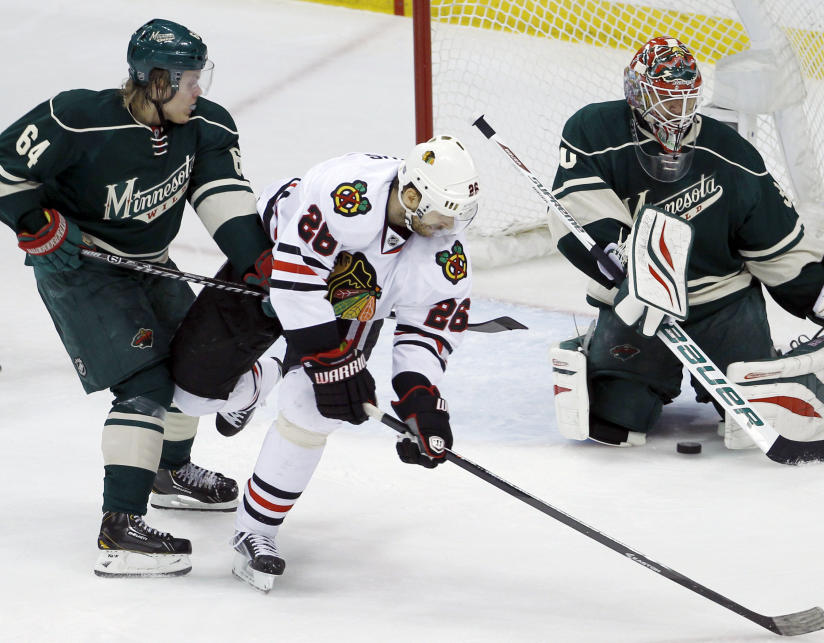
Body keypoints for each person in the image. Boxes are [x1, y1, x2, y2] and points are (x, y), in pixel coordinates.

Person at [0, 18, 275, 577]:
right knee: (145, 383)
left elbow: (224, 197)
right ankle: (120, 528)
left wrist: (263, 268)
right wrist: (35, 221)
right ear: (154, 80)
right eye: (189, 79)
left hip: (151, 263)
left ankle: (169, 472)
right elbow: (6, 172)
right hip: (81, 266)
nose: (200, 89)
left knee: (191, 361)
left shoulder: (206, 124)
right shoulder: (75, 117)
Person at [548, 36, 824, 449]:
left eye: (687, 99)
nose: (680, 112)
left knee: (756, 412)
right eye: (668, 99)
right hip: (635, 306)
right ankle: (607, 363)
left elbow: (778, 249)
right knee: (616, 417)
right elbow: (577, 207)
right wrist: (629, 268)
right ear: (637, 93)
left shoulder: (732, 154)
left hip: (722, 304)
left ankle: (810, 372)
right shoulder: (594, 130)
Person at [223, 136, 479, 592]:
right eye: (445, 211)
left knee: (312, 409)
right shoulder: (350, 199)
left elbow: (430, 329)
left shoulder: (442, 246)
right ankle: (259, 379)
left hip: (356, 290)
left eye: (460, 212)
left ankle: (256, 529)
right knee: (207, 387)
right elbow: (297, 280)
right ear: (413, 196)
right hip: (283, 247)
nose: (451, 224)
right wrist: (328, 360)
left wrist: (422, 400)